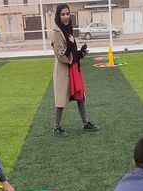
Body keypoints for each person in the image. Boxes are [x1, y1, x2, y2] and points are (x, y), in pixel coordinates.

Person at [51, 4, 99, 137]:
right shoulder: (57, 32)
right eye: (62, 14)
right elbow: (60, 55)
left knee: (80, 95)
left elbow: (71, 53)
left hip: (73, 68)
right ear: (58, 16)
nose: (66, 17)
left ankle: (85, 122)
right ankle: (56, 128)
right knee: (60, 99)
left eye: (67, 14)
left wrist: (80, 53)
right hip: (63, 69)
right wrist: (72, 46)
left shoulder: (67, 30)